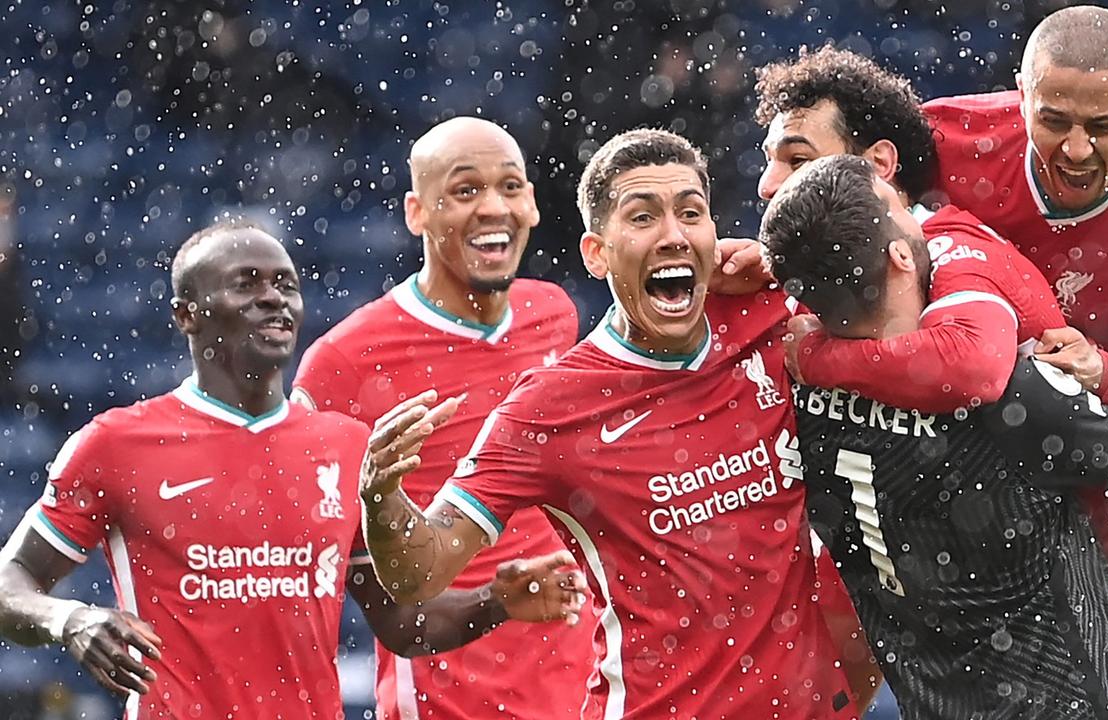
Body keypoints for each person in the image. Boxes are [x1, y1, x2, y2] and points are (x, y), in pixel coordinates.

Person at [753, 39, 1108, 720]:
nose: (770, 184)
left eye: (797, 161)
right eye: (1055, 121)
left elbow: (980, 369)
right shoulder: (811, 299)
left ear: (879, 174)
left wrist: (1103, 372)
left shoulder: (958, 272)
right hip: (995, 599)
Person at [358, 128, 857, 719]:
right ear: (597, 253)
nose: (673, 235)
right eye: (642, 217)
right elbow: (418, 573)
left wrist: (778, 263)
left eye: (690, 213)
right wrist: (381, 498)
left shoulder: (774, 315)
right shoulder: (548, 409)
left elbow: (909, 261)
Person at [0, 220, 586, 719]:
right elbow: (10, 586)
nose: (273, 297)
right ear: (187, 316)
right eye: (246, 283)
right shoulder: (116, 445)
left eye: (285, 284)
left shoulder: (346, 446)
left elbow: (402, 622)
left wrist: (498, 601)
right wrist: (69, 618)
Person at [291, 116, 597, 720]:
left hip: (578, 684)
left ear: (533, 204)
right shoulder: (343, 364)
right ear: (417, 213)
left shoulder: (555, 315)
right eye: (464, 191)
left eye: (510, 187)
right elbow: (382, 608)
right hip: (446, 699)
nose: (493, 207)